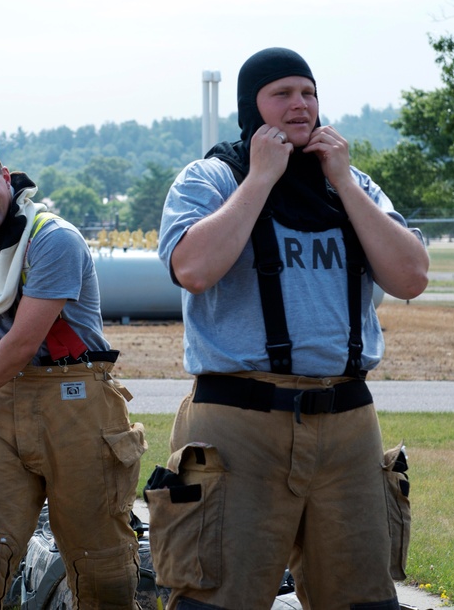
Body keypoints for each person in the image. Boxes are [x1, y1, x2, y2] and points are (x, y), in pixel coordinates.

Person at [151, 47, 429, 610]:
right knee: (215, 599)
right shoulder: (211, 178)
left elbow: (411, 276)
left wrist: (345, 184)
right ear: (251, 107)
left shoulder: (354, 184)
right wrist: (260, 179)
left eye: (308, 93)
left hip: (348, 422)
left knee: (365, 601)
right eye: (282, 94)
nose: (299, 105)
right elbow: (193, 269)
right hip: (238, 425)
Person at [0, 139, 146, 609]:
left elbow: (23, 343)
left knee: (101, 566)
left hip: (76, 405)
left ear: (6, 176)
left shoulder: (54, 239)